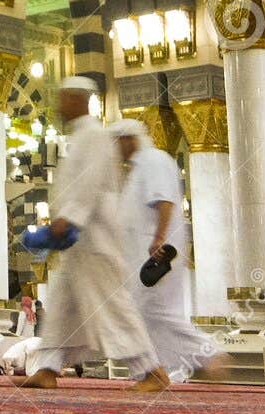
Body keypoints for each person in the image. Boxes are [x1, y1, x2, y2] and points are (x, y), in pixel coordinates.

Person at [22, 78, 170, 392]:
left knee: (113, 305)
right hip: (82, 242)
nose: (58, 106)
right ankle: (47, 368)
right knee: (63, 306)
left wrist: (67, 219)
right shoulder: (82, 136)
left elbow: (88, 183)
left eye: (63, 99)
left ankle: (151, 371)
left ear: (77, 100)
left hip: (95, 238)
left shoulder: (93, 136)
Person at [111, 119, 226, 382]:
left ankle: (207, 355)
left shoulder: (153, 160)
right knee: (148, 313)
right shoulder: (140, 167)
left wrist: (159, 237)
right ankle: (156, 372)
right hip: (145, 254)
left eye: (117, 143)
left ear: (128, 139)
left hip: (156, 254)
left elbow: (164, 199)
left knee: (153, 311)